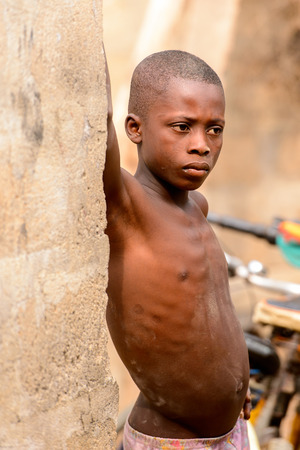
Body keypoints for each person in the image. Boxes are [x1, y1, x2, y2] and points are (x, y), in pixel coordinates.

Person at [104, 47, 251, 449]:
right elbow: (96, 119)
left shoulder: (197, 208)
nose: (202, 145)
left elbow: (210, 305)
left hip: (231, 429)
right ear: (135, 129)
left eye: (214, 129)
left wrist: (237, 381)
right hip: (173, 442)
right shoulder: (127, 207)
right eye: (182, 127)